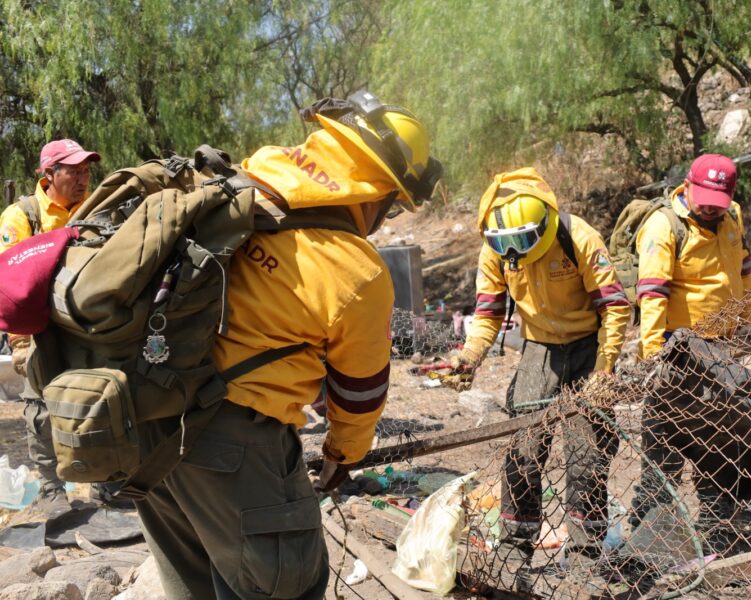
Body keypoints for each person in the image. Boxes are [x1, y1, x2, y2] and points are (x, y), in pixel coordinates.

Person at [134, 91, 442, 599]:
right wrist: (343, 454)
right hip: (231, 443)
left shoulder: (244, 181)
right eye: (391, 205)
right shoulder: (357, 270)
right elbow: (359, 390)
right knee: (286, 585)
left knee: (195, 587)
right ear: (377, 192)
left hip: (149, 422)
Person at [452, 168, 631, 578]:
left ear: (544, 227)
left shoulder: (578, 236)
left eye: (522, 241)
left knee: (587, 451)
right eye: (505, 244)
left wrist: (605, 370)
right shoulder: (495, 250)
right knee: (524, 449)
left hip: (588, 347)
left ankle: (586, 554)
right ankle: (516, 546)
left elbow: (616, 306)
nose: (513, 250)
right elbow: (489, 311)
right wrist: (471, 355)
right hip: (539, 349)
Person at [630, 154, 751, 549]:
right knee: (663, 449)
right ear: (687, 186)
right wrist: (652, 354)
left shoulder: (733, 217)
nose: (708, 207)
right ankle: (645, 538)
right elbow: (652, 295)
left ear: (730, 196)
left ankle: (715, 533)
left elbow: (743, 271)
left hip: (722, 351)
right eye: (702, 198)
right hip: (677, 349)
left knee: (720, 444)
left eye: (716, 201)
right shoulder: (663, 227)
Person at [0, 139, 100, 515]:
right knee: (40, 406)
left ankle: (108, 482)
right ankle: (50, 489)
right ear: (49, 174)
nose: (82, 178)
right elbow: (10, 286)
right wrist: (21, 344)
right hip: (41, 326)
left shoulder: (95, 208)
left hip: (87, 323)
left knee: (100, 398)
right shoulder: (22, 216)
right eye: (73, 172)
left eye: (86, 171)